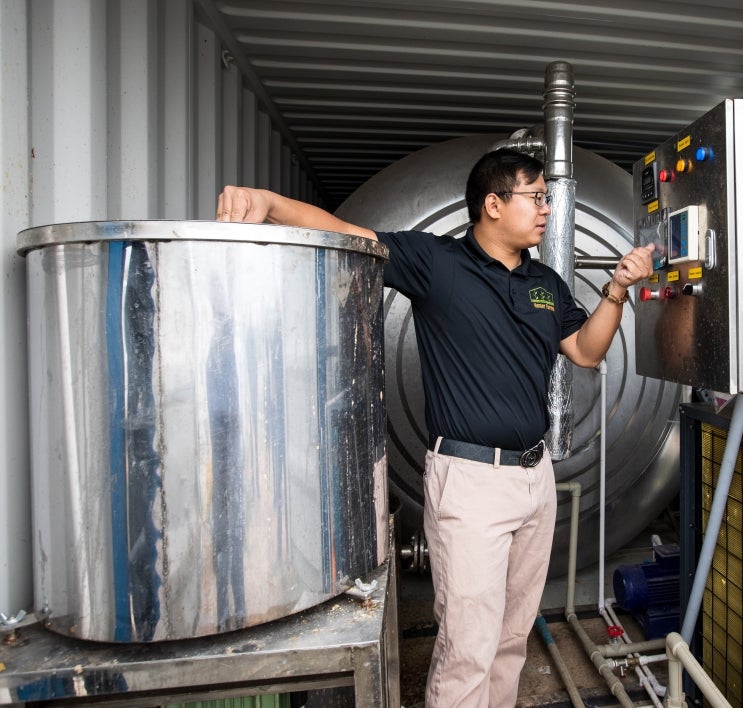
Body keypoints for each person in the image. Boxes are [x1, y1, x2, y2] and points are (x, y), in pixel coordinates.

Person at [217, 147, 653, 707]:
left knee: (511, 639)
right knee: (468, 646)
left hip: (534, 479)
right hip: (470, 482)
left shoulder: (546, 282)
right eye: (536, 196)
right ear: (493, 204)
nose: (547, 209)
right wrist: (268, 202)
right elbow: (349, 231)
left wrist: (616, 291)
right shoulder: (437, 262)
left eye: (547, 197)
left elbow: (586, 352)